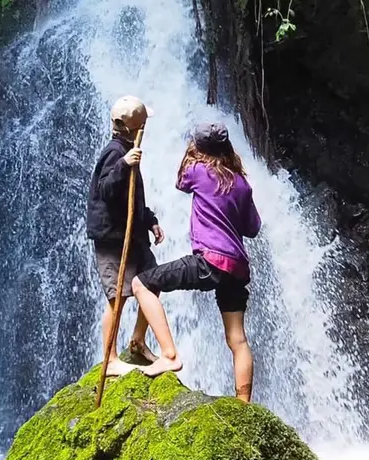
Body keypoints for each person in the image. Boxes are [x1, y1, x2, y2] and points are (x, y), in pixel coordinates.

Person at [132, 123, 262, 402]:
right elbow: (253, 228)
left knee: (142, 283)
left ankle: (168, 354)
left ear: (200, 149)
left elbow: (181, 181)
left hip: (209, 262)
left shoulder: (200, 172)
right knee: (237, 339)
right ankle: (243, 403)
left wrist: (191, 153)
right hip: (237, 268)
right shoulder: (241, 183)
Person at [87, 96, 165, 377]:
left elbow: (130, 200)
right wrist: (123, 163)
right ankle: (108, 359)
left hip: (133, 236)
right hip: (112, 240)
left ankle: (137, 341)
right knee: (117, 299)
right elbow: (106, 191)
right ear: (135, 128)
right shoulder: (114, 153)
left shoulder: (126, 150)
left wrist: (151, 221)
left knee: (152, 281)